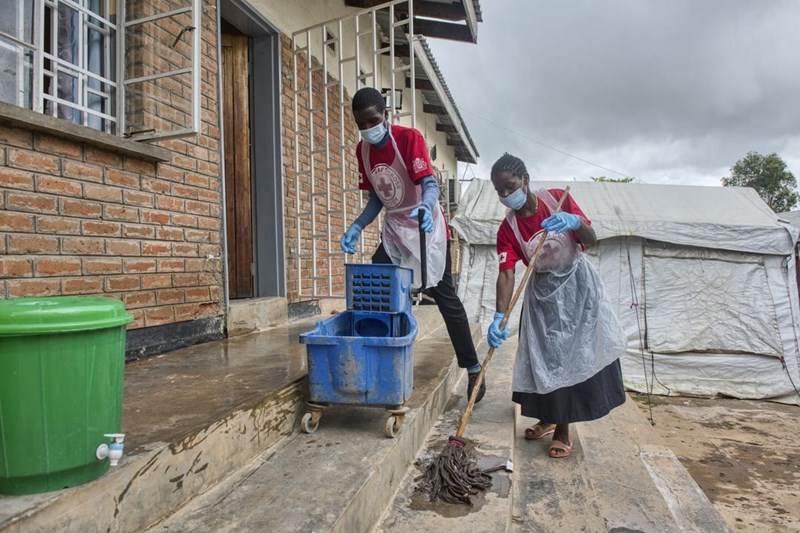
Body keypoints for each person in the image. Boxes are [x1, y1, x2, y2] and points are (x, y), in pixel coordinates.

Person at [340, 87, 486, 403]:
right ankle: (377, 362)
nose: (368, 129)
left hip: (426, 227)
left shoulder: (408, 139)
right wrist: (357, 225)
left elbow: (428, 183)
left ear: (386, 116)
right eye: (361, 124)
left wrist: (427, 206)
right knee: (375, 292)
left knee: (445, 297)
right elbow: (377, 198)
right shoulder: (362, 152)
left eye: (373, 120)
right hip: (395, 231)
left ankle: (473, 368)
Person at [486, 153, 625, 458]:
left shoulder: (558, 201)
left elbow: (591, 237)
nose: (506, 195)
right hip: (543, 295)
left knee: (570, 357)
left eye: (510, 186)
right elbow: (506, 274)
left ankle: (564, 429)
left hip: (578, 290)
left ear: (525, 180)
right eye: (500, 191)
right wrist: (499, 315)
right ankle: (548, 417)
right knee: (543, 358)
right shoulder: (508, 230)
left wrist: (575, 221)